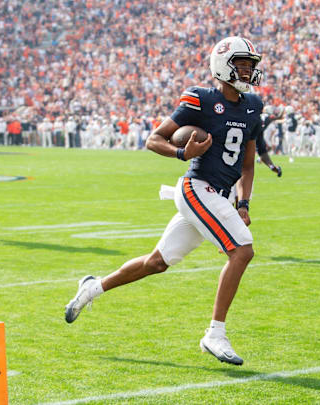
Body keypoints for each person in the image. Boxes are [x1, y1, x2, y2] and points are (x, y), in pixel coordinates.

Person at [64, 36, 265, 366]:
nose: (247, 71)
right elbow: (153, 139)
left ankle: (93, 287)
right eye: (241, 64)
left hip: (221, 196)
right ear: (222, 65)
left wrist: (243, 204)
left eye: (250, 65)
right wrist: (183, 152)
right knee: (242, 251)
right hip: (197, 187)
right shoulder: (200, 99)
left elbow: (247, 162)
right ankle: (215, 333)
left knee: (157, 262)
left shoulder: (253, 106)